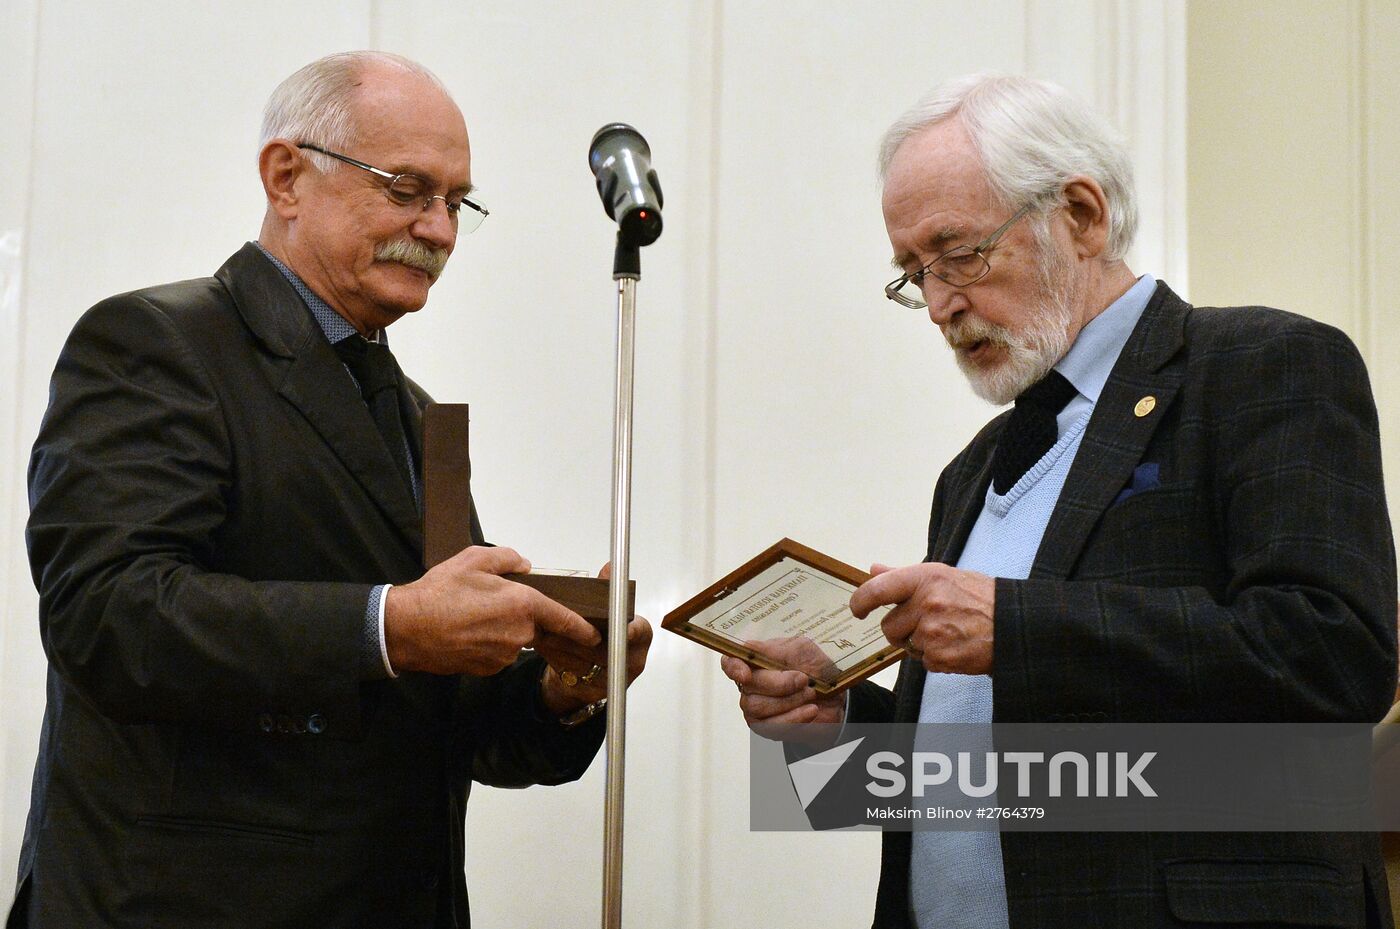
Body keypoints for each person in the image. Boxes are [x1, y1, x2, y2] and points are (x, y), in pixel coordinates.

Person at [723, 73, 1397, 928]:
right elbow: (1005, 771)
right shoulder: (973, 470)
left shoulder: (1264, 366)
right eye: (912, 273)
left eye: (959, 253)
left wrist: (1017, 624)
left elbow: (1338, 655)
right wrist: (839, 728)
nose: (938, 304)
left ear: (1081, 215)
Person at [7, 51, 651, 929]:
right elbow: (107, 615)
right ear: (286, 178)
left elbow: (447, 720)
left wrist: (563, 686)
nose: (440, 230)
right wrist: (389, 623)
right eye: (408, 188)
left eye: (457, 201)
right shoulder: (155, 342)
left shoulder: (417, 416)